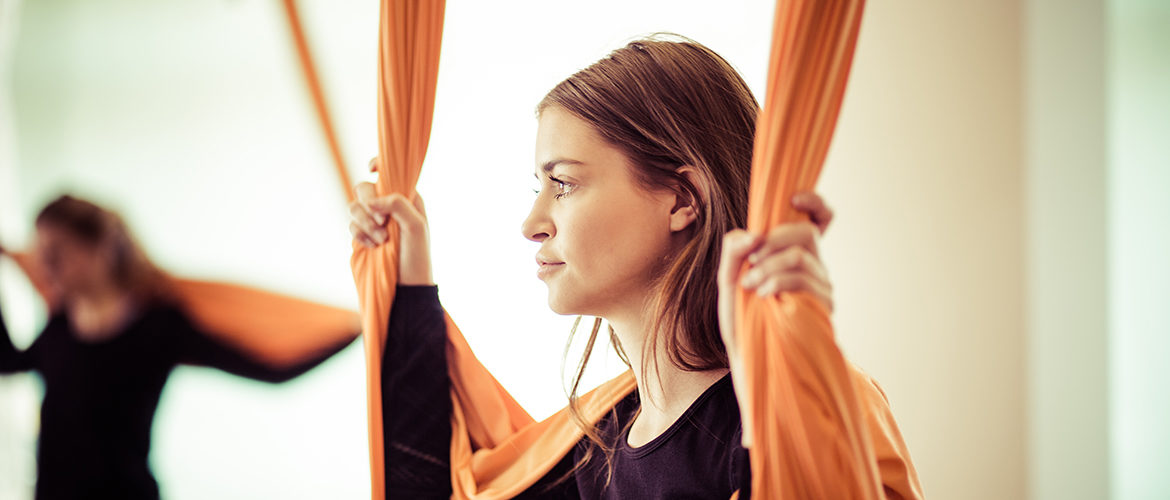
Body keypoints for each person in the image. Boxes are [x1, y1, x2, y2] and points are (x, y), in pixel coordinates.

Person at [349, 35, 919, 498]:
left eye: (564, 184)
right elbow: (428, 488)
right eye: (539, 188)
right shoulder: (593, 450)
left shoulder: (814, 413)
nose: (532, 223)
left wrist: (770, 371)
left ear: (680, 200)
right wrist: (408, 276)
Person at [0, 195, 356, 500]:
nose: (44, 264)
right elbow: (8, 362)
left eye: (57, 252)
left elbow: (271, 369)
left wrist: (356, 329)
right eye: (41, 251)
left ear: (100, 249)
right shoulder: (60, 321)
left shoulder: (158, 324)